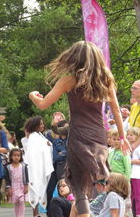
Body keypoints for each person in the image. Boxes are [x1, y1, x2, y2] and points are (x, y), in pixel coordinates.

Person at [29, 41, 130, 217]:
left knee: (77, 184)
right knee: (98, 174)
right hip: (98, 136)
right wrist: (123, 138)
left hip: (78, 136)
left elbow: (43, 104)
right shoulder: (105, 80)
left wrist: (33, 96)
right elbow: (116, 111)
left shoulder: (68, 80)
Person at [24, 116, 54, 217]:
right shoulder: (33, 137)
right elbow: (33, 154)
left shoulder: (39, 135)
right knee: (36, 188)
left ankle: (37, 212)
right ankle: (35, 213)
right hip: (36, 168)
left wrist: (48, 145)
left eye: (42, 123)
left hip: (42, 167)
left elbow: (45, 148)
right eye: (40, 124)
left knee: (41, 188)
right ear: (35, 125)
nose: (42, 125)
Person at [126, 128, 140, 217]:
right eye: (128, 134)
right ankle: (130, 212)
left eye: (131, 135)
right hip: (129, 174)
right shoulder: (127, 146)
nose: (129, 136)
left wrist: (134, 161)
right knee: (130, 195)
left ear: (137, 137)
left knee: (138, 195)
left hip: (137, 175)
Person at [5, 148, 29, 217]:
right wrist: (8, 187)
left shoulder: (23, 166)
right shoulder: (8, 167)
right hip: (13, 187)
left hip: (22, 186)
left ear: (21, 157)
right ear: (11, 156)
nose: (16, 157)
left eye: (18, 155)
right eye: (14, 155)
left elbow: (26, 176)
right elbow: (7, 178)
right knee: (16, 203)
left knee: (21, 201)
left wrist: (26, 186)